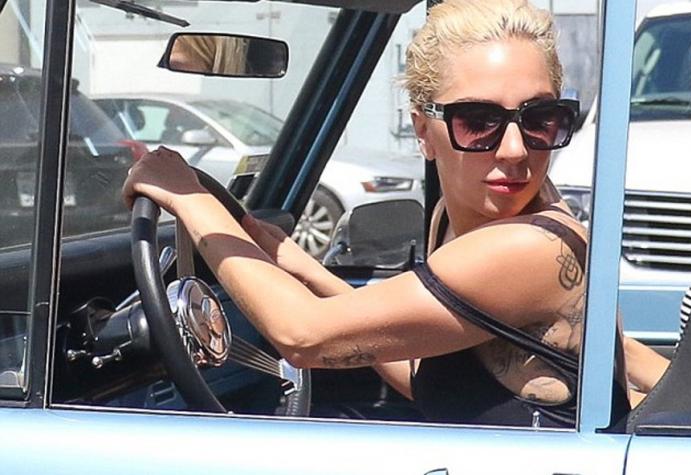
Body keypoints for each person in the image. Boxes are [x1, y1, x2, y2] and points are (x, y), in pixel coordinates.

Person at [123, 0, 631, 428]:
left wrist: (188, 199)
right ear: (423, 131)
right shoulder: (455, 220)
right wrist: (304, 269)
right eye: (478, 121)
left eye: (540, 119)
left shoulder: (531, 245)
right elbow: (424, 375)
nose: (516, 150)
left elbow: (303, 337)